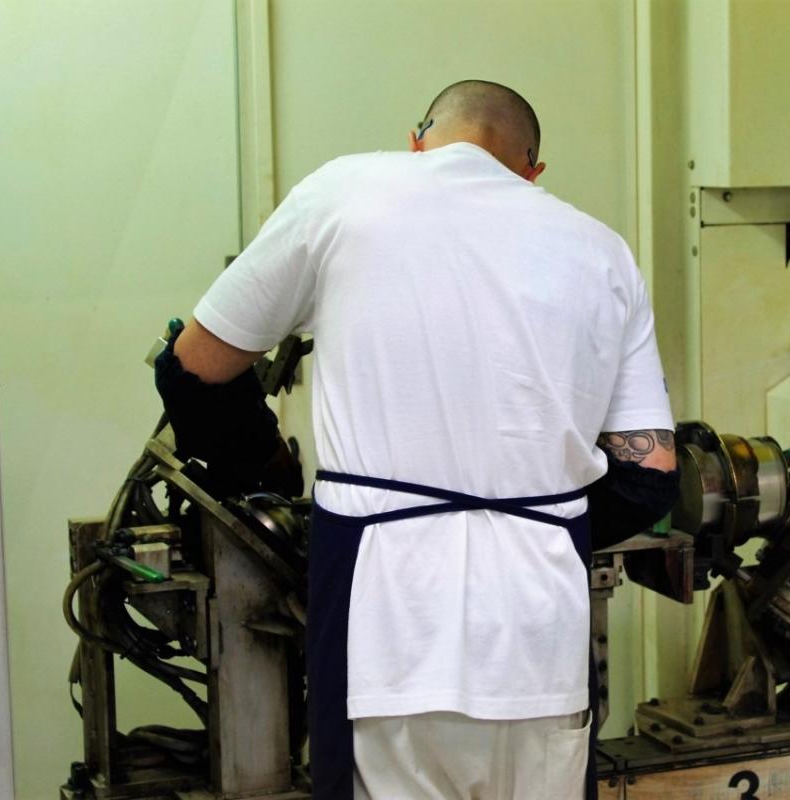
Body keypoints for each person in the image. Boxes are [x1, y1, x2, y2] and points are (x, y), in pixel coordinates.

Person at [157, 79, 678, 800]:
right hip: (540, 639)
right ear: (532, 172)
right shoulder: (603, 251)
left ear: (416, 141)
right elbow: (649, 476)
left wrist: (268, 473)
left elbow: (194, 368)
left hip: (384, 623)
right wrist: (532, 527)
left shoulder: (342, 193)